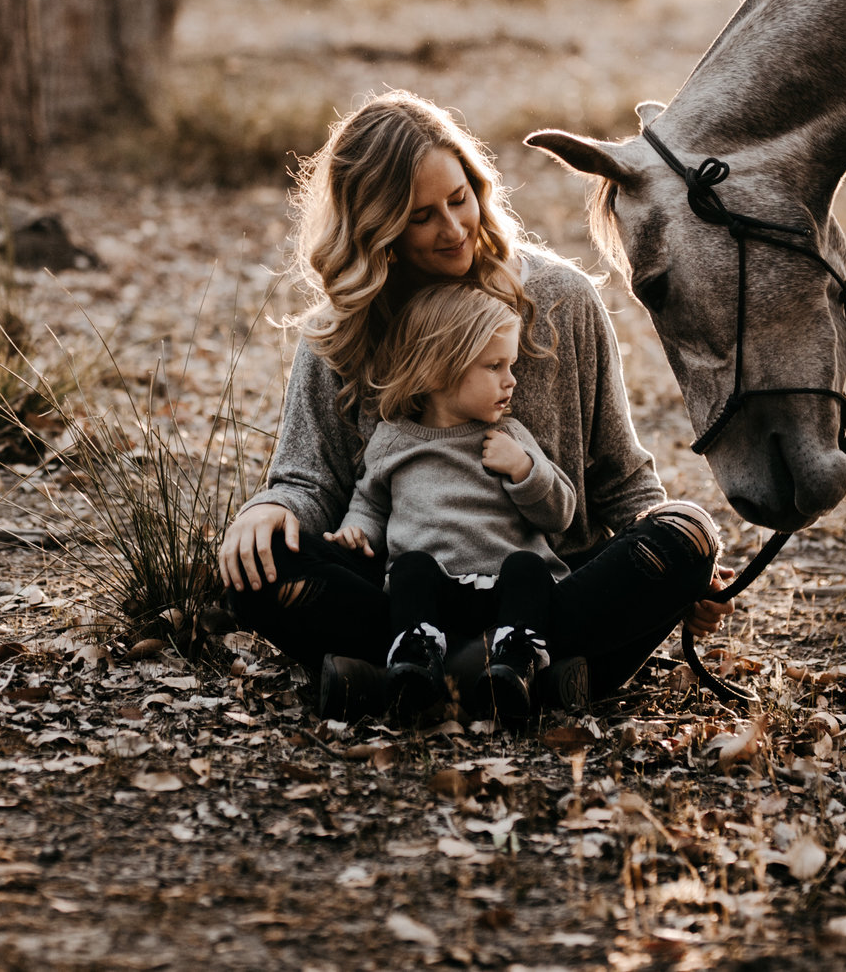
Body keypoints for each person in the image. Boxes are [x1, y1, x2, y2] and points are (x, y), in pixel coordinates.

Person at [216, 90, 732, 715]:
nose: (454, 227)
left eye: (458, 199)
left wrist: (680, 574)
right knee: (254, 562)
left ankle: (403, 680)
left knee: (686, 534)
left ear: (478, 186)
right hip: (405, 593)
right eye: (420, 216)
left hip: (544, 587)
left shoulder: (560, 298)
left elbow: (620, 475)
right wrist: (268, 508)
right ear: (374, 226)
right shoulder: (344, 327)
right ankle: (529, 678)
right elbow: (309, 478)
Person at [322, 284, 575, 720]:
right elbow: (369, 502)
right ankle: (416, 661)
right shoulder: (395, 440)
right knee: (410, 569)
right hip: (437, 594)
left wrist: (524, 470)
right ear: (438, 372)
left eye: (509, 365)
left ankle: (515, 664)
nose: (511, 380)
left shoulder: (510, 437)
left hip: (503, 594)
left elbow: (560, 514)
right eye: (494, 366)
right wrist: (356, 529)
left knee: (529, 568)